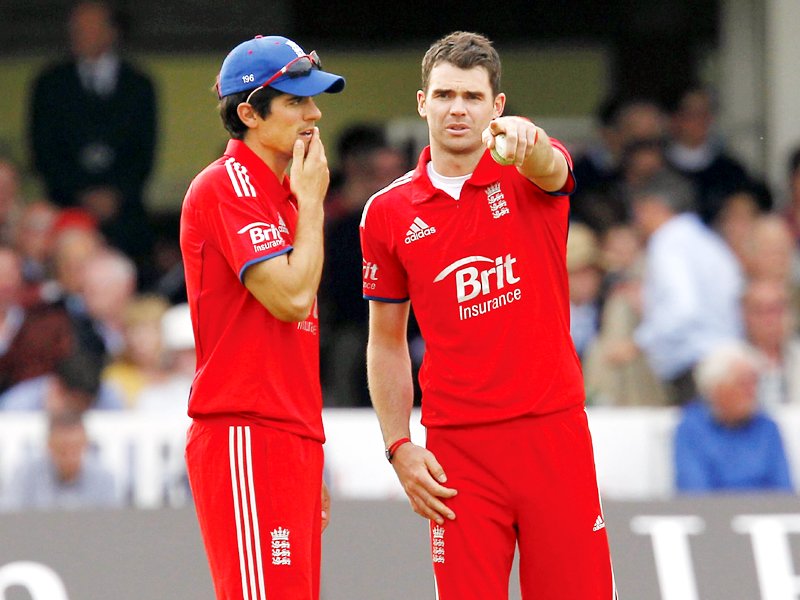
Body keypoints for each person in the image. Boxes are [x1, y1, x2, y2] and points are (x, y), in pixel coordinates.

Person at [360, 32, 616, 599]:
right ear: (422, 101)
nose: (458, 109)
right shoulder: (386, 213)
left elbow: (553, 168)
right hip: (458, 452)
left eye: (473, 97)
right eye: (445, 94)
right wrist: (398, 445)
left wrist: (531, 142)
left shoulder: (528, 167)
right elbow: (385, 342)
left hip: (552, 432)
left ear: (497, 107)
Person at [180, 35, 344, 600]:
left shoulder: (288, 199)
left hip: (286, 437)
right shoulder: (227, 185)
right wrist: (316, 205)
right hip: (245, 432)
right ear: (248, 112)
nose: (315, 114)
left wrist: (307, 449)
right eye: (297, 101)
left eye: (313, 100)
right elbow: (291, 299)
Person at [29, 1, 157, 264]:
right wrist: (80, 193)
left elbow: (144, 150)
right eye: (75, 28)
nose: (79, 35)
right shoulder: (50, 83)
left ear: (112, 32)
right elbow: (42, 148)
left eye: (89, 28)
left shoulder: (139, 85)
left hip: (125, 215)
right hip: (65, 209)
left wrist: (116, 194)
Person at [630, 168, 744, 404]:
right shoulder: (706, 241)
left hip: (697, 367)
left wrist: (640, 341)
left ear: (653, 206)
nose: (637, 220)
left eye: (639, 211)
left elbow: (682, 307)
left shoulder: (667, 242)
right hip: (728, 361)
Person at [674, 341, 794, 493]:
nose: (752, 391)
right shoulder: (690, 429)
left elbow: (784, 492)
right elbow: (694, 493)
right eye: (743, 383)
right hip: (713, 515)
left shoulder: (767, 428)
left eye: (754, 383)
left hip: (765, 516)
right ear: (716, 388)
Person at [0, 409, 120, 512]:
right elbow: (10, 519)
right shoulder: (25, 475)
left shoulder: (104, 478)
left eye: (75, 449)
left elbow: (110, 525)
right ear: (49, 446)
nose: (70, 457)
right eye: (63, 450)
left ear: (86, 443)